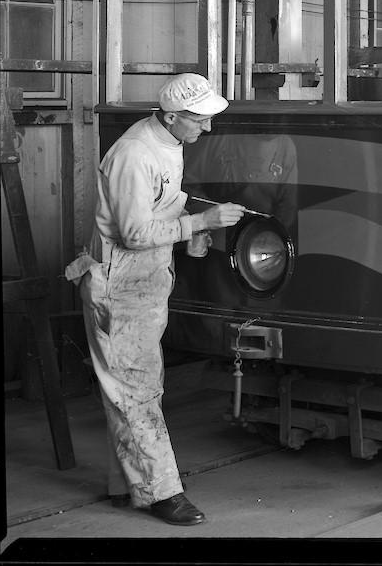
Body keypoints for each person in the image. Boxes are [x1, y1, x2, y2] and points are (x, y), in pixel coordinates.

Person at [64, 73, 245, 526]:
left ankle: (127, 485)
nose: (206, 129)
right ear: (171, 116)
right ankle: (164, 493)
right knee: (136, 391)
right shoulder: (134, 153)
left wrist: (187, 220)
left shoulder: (168, 140)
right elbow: (134, 232)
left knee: (132, 387)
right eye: (200, 121)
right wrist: (199, 223)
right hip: (119, 284)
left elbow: (160, 201)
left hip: (143, 282)